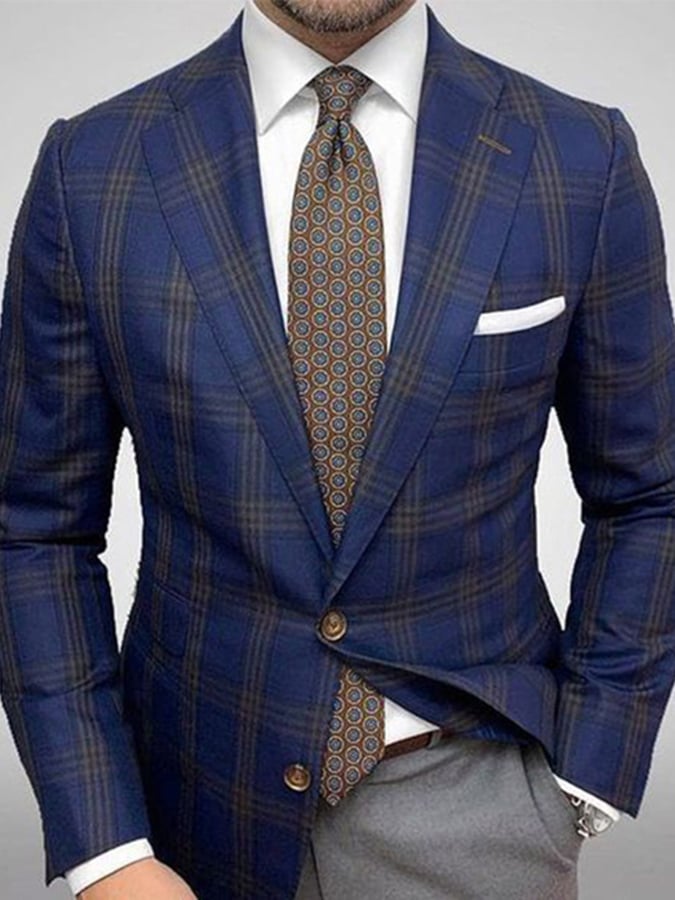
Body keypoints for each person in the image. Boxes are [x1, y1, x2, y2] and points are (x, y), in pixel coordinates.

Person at [1, 0, 673, 897]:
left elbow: (649, 495)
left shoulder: (578, 156)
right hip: (184, 812)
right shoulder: (93, 167)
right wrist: (107, 849)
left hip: (478, 803)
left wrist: (587, 774)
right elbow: (33, 529)